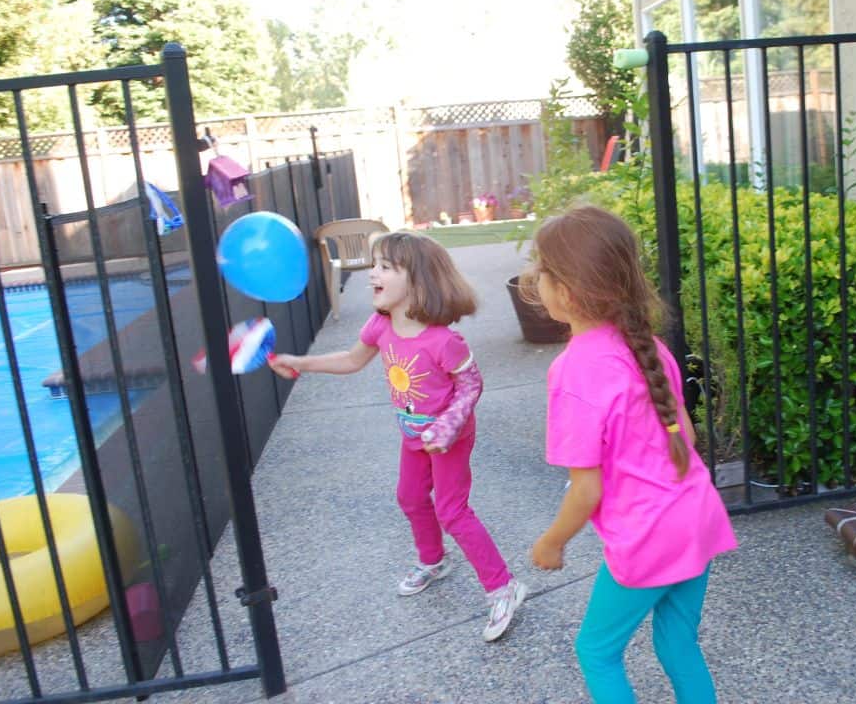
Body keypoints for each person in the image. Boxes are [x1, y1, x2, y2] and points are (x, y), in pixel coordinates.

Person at [270, 229, 525, 642]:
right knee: (409, 497)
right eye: (374, 265)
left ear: (418, 280)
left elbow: (471, 386)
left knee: (452, 511)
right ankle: (434, 560)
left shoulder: (445, 340)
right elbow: (352, 360)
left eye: (386, 267)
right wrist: (301, 362)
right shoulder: (381, 326)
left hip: (448, 438)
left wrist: (447, 425)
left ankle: (503, 587)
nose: (373, 273)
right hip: (413, 437)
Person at [526, 206, 738, 703]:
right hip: (696, 514)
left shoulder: (574, 371)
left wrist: (551, 543)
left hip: (648, 536)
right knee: (678, 641)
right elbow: (683, 433)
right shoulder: (647, 344)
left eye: (543, 270)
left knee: (596, 651)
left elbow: (587, 489)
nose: (536, 280)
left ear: (569, 292)